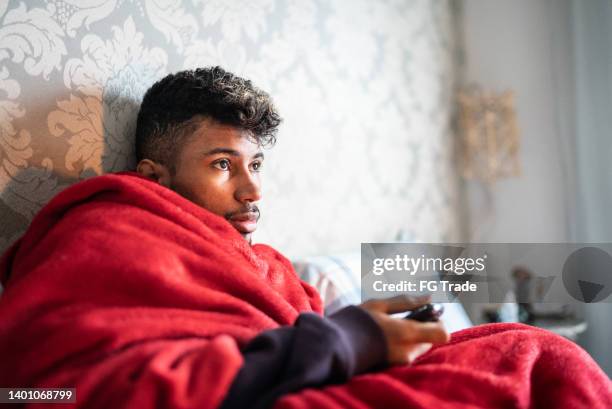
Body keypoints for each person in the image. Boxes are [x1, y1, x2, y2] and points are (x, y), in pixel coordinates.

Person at [132, 66, 449, 408]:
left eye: (255, 165)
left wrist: (363, 340)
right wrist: (346, 338)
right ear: (155, 176)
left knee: (509, 339)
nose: (253, 191)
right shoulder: (119, 242)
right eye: (223, 164)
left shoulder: (273, 269)